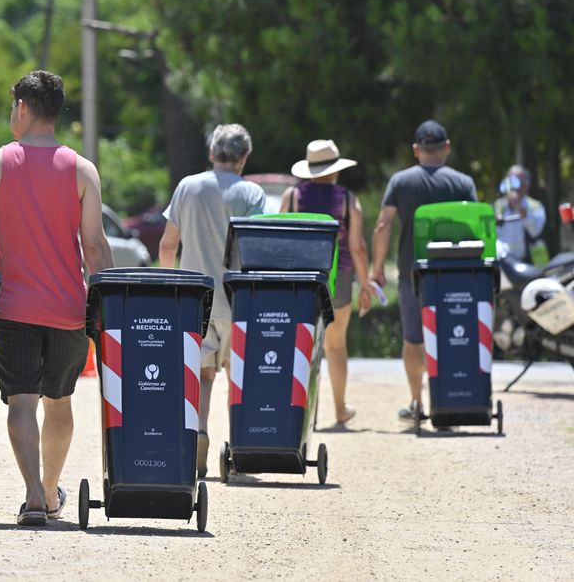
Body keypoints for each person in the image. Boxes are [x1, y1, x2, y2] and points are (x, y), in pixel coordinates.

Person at [0, 70, 113, 526]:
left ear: (23, 108)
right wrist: (109, 306)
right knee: (60, 402)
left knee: (22, 402)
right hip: (68, 311)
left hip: (12, 309)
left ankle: (31, 495)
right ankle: (49, 494)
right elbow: (95, 247)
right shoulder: (82, 170)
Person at [158, 124, 266, 477]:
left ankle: (200, 432)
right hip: (238, 300)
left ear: (210, 153)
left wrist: (169, 287)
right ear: (244, 157)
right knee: (238, 376)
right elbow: (257, 249)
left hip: (195, 299)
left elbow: (168, 245)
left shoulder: (188, 187)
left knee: (202, 375)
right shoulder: (252, 194)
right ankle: (238, 449)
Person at [370, 120, 477, 423]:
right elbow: (476, 227)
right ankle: (450, 401)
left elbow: (383, 225)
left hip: (413, 274)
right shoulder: (463, 183)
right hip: (456, 275)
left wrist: (377, 269)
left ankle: (417, 403)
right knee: (451, 336)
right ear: (446, 148)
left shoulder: (401, 181)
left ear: (416, 150)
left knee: (413, 340)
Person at [280, 140, 372, 426]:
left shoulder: (292, 197)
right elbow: (357, 247)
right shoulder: (347, 199)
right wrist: (365, 285)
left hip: (300, 278)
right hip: (339, 277)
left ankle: (303, 412)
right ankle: (340, 409)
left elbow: (280, 240)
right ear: (335, 170)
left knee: (301, 346)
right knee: (335, 346)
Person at [494, 165, 546, 263]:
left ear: (527, 185)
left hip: (529, 262)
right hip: (502, 260)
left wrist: (521, 210)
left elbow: (535, 232)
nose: (516, 187)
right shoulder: (498, 205)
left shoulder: (535, 206)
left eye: (520, 182)